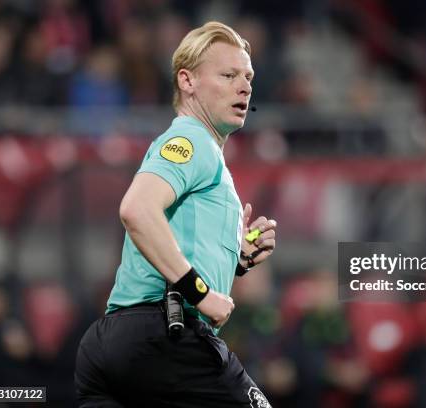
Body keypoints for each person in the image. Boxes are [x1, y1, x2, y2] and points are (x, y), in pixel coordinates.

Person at [75, 21, 276, 408]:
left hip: (117, 346)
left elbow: (171, 236)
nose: (245, 86)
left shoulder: (203, 152)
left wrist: (237, 260)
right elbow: (136, 210)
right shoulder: (190, 140)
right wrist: (200, 294)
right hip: (165, 336)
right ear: (187, 81)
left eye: (248, 76)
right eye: (229, 74)